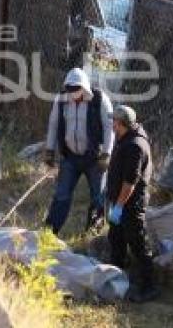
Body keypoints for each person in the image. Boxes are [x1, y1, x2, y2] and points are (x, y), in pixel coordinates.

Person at [44, 67, 114, 235]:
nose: (72, 92)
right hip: (70, 157)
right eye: (69, 89)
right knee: (61, 196)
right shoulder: (61, 99)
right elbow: (53, 124)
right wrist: (49, 151)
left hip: (95, 158)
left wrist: (106, 153)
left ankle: (93, 233)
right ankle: (49, 233)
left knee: (98, 197)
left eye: (76, 89)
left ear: (84, 87)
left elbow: (109, 127)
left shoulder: (99, 99)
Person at [106, 105, 158, 303]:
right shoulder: (125, 138)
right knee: (116, 238)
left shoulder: (135, 145)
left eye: (114, 121)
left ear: (120, 123)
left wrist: (118, 206)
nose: (112, 124)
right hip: (120, 201)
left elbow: (130, 182)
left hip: (130, 204)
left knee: (138, 243)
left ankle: (149, 286)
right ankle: (116, 275)